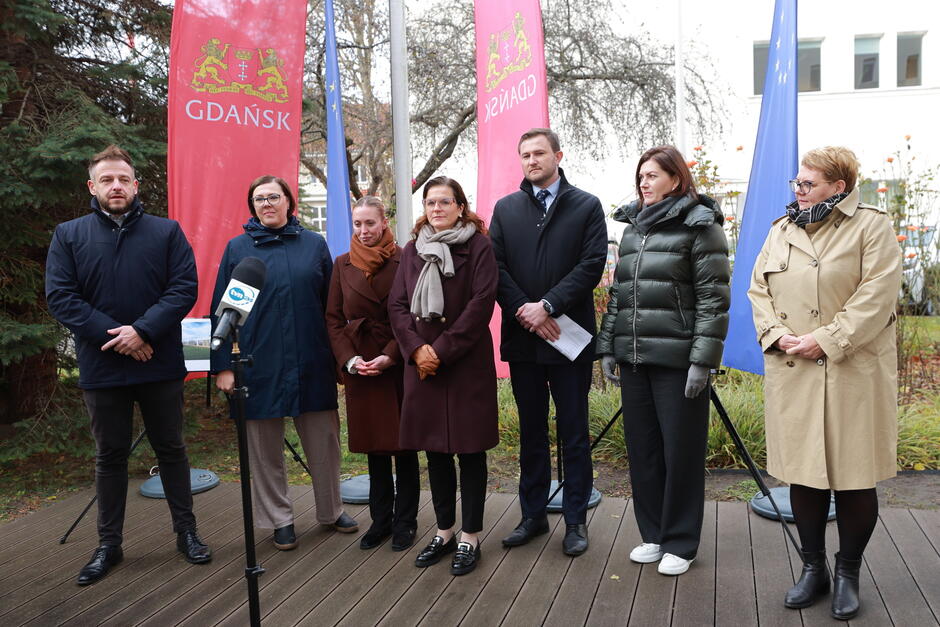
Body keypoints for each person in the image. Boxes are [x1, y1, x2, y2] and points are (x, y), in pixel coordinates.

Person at [45, 145, 211, 586]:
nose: (115, 186)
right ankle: (108, 545)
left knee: (171, 450)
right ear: (92, 187)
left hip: (159, 361)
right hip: (103, 367)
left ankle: (187, 533)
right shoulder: (69, 234)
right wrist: (121, 339)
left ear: (136, 185)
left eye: (123, 179)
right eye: (106, 180)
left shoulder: (166, 232)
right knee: (110, 456)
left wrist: (143, 331)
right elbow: (62, 298)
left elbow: (183, 288)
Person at [748, 146, 902, 620]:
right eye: (797, 182)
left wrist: (826, 339)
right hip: (794, 370)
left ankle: (848, 573)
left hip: (853, 370)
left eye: (807, 183)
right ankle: (813, 569)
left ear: (839, 187)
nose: (798, 190)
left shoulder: (872, 226)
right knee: (804, 475)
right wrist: (776, 336)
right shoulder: (782, 229)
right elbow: (758, 289)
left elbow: (877, 296)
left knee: (854, 478)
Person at [597, 145, 731, 576]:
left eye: (653, 175)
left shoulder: (701, 226)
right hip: (635, 358)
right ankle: (653, 535)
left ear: (676, 179)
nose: (644, 182)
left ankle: (680, 542)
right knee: (645, 452)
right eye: (641, 175)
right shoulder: (633, 228)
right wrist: (609, 347)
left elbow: (714, 301)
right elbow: (619, 294)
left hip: (678, 361)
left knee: (681, 452)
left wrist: (702, 361)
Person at [211, 175, 357, 551]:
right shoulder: (239, 250)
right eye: (258, 199)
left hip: (311, 360)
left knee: (324, 442)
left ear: (289, 202)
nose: (266, 204)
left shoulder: (313, 245)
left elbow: (332, 309)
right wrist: (223, 366)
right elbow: (224, 314)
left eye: (273, 197)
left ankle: (331, 509)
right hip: (260, 364)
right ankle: (280, 520)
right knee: (264, 448)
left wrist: (341, 359)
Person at [490, 128, 608, 557]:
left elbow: (592, 263)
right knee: (532, 432)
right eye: (525, 154)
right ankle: (533, 515)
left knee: (574, 431)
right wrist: (526, 309)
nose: (532, 160)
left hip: (567, 337)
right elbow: (495, 267)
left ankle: (575, 520)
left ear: (558, 154)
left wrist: (550, 306)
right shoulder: (506, 209)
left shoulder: (586, 206)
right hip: (524, 340)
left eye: (539, 153)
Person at [388, 176, 499, 576]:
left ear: (460, 206)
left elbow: (481, 304)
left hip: (464, 363)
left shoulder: (480, 247)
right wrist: (417, 350)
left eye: (445, 202)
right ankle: (445, 530)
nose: (437, 209)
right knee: (434, 450)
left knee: (470, 451)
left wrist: (442, 350)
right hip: (422, 364)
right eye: (431, 202)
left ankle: (471, 536)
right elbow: (398, 306)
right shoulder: (412, 250)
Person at [326, 196, 420, 552]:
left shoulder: (405, 258)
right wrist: (350, 360)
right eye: (357, 224)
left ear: (384, 222)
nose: (363, 231)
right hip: (361, 364)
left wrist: (390, 355)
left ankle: (406, 522)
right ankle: (380, 521)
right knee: (375, 449)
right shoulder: (341, 264)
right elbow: (333, 319)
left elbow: (413, 314)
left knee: (404, 446)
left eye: (369, 223)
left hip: (396, 361)